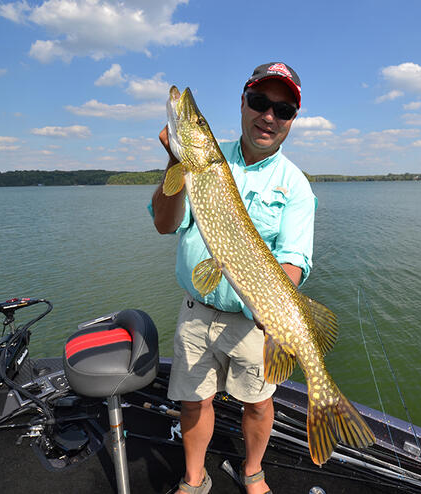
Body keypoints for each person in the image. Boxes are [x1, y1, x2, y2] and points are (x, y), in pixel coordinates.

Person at [148, 62, 317, 494]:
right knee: (193, 401)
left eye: (282, 110)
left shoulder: (295, 185)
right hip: (196, 313)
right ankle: (194, 476)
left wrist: (274, 308)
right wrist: (175, 161)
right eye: (260, 103)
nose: (268, 116)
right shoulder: (202, 163)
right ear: (243, 103)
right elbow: (165, 225)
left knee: (259, 403)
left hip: (256, 319)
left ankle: (253, 471)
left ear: (292, 119)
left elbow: (293, 262)